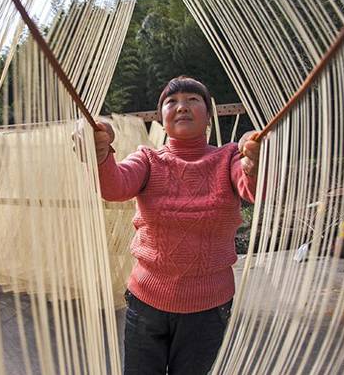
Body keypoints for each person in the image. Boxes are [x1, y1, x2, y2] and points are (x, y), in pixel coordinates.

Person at [94, 76, 261, 375]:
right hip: (146, 304)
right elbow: (116, 187)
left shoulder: (229, 157)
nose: (181, 107)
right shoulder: (147, 159)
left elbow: (253, 187)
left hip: (208, 310)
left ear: (208, 116)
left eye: (193, 100)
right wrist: (102, 155)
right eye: (172, 102)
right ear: (162, 119)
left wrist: (255, 161)